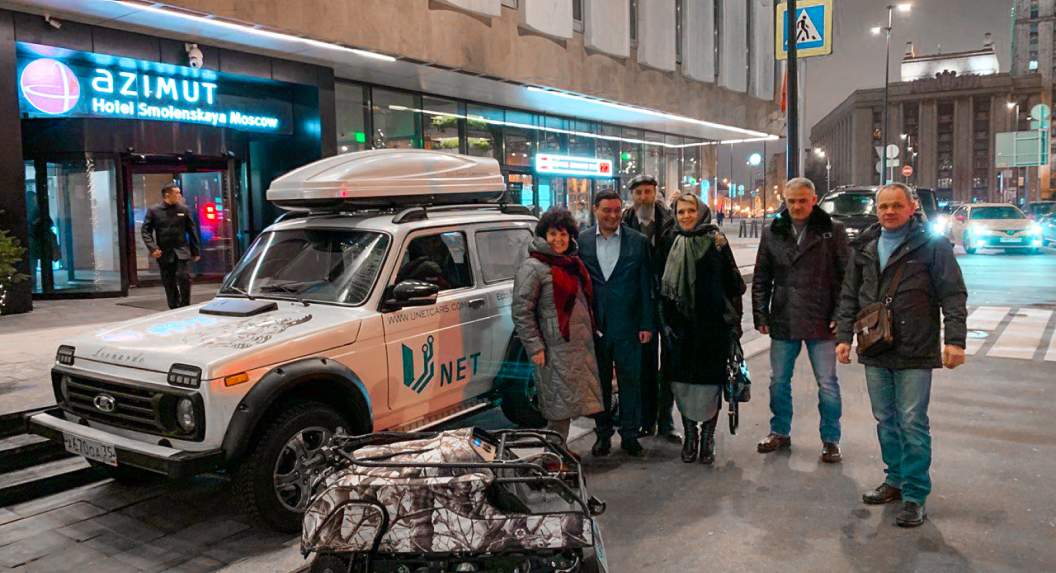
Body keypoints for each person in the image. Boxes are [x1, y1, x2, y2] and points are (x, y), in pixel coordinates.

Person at [835, 183, 968, 528]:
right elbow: (850, 294)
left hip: (916, 346)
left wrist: (955, 340)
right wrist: (844, 337)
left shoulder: (933, 245)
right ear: (876, 210)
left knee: (912, 421)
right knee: (885, 418)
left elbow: (953, 294)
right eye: (883, 207)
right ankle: (894, 479)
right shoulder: (865, 245)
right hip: (876, 345)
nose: (889, 212)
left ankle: (915, 494)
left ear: (912, 208)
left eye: (897, 205)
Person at [753, 178, 850, 463]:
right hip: (784, 316)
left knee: (827, 383)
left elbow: (847, 277)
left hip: (822, 317)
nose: (797, 206)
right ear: (785, 200)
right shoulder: (772, 230)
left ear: (814, 200)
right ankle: (779, 431)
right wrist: (760, 313)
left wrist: (840, 315)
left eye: (803, 201)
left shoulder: (833, 230)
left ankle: (831, 439)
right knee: (778, 381)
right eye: (792, 201)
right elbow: (761, 276)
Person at [659, 193, 745, 464]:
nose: (686, 216)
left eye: (691, 210)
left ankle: (707, 437)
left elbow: (734, 285)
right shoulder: (668, 240)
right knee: (682, 384)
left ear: (701, 212)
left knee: (710, 384)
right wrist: (664, 322)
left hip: (712, 327)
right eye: (681, 211)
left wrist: (735, 323)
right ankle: (690, 435)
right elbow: (657, 284)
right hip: (679, 329)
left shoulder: (716, 240)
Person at [512, 208, 605, 444]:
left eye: (563, 234)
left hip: (577, 346)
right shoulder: (533, 266)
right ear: (543, 235)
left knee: (568, 401)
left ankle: (559, 449)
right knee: (558, 406)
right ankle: (552, 455)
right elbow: (522, 311)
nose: (558, 239)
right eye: (553, 234)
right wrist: (535, 347)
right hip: (553, 347)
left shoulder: (572, 263)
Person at [579, 189, 656, 458]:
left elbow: (646, 285)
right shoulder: (582, 241)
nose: (613, 215)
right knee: (599, 383)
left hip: (629, 325)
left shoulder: (638, 241)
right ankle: (602, 434)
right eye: (607, 210)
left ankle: (630, 435)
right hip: (595, 327)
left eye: (617, 210)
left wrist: (647, 323)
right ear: (595, 210)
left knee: (630, 382)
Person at [621, 174, 680, 443]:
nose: (643, 197)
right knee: (643, 364)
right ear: (632, 195)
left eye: (648, 192)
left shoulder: (671, 220)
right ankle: (646, 420)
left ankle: (666, 421)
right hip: (639, 302)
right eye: (639, 193)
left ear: (656, 193)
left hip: (667, 302)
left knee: (669, 363)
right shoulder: (624, 221)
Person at [142, 184, 201, 309]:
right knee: (168, 280)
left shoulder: (184, 209)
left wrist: (195, 251)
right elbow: (146, 231)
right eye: (177, 193)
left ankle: (185, 304)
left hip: (182, 250)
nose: (180, 195)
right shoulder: (154, 210)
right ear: (167, 195)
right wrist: (153, 248)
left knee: (183, 276)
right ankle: (173, 306)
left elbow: (192, 231)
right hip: (164, 251)